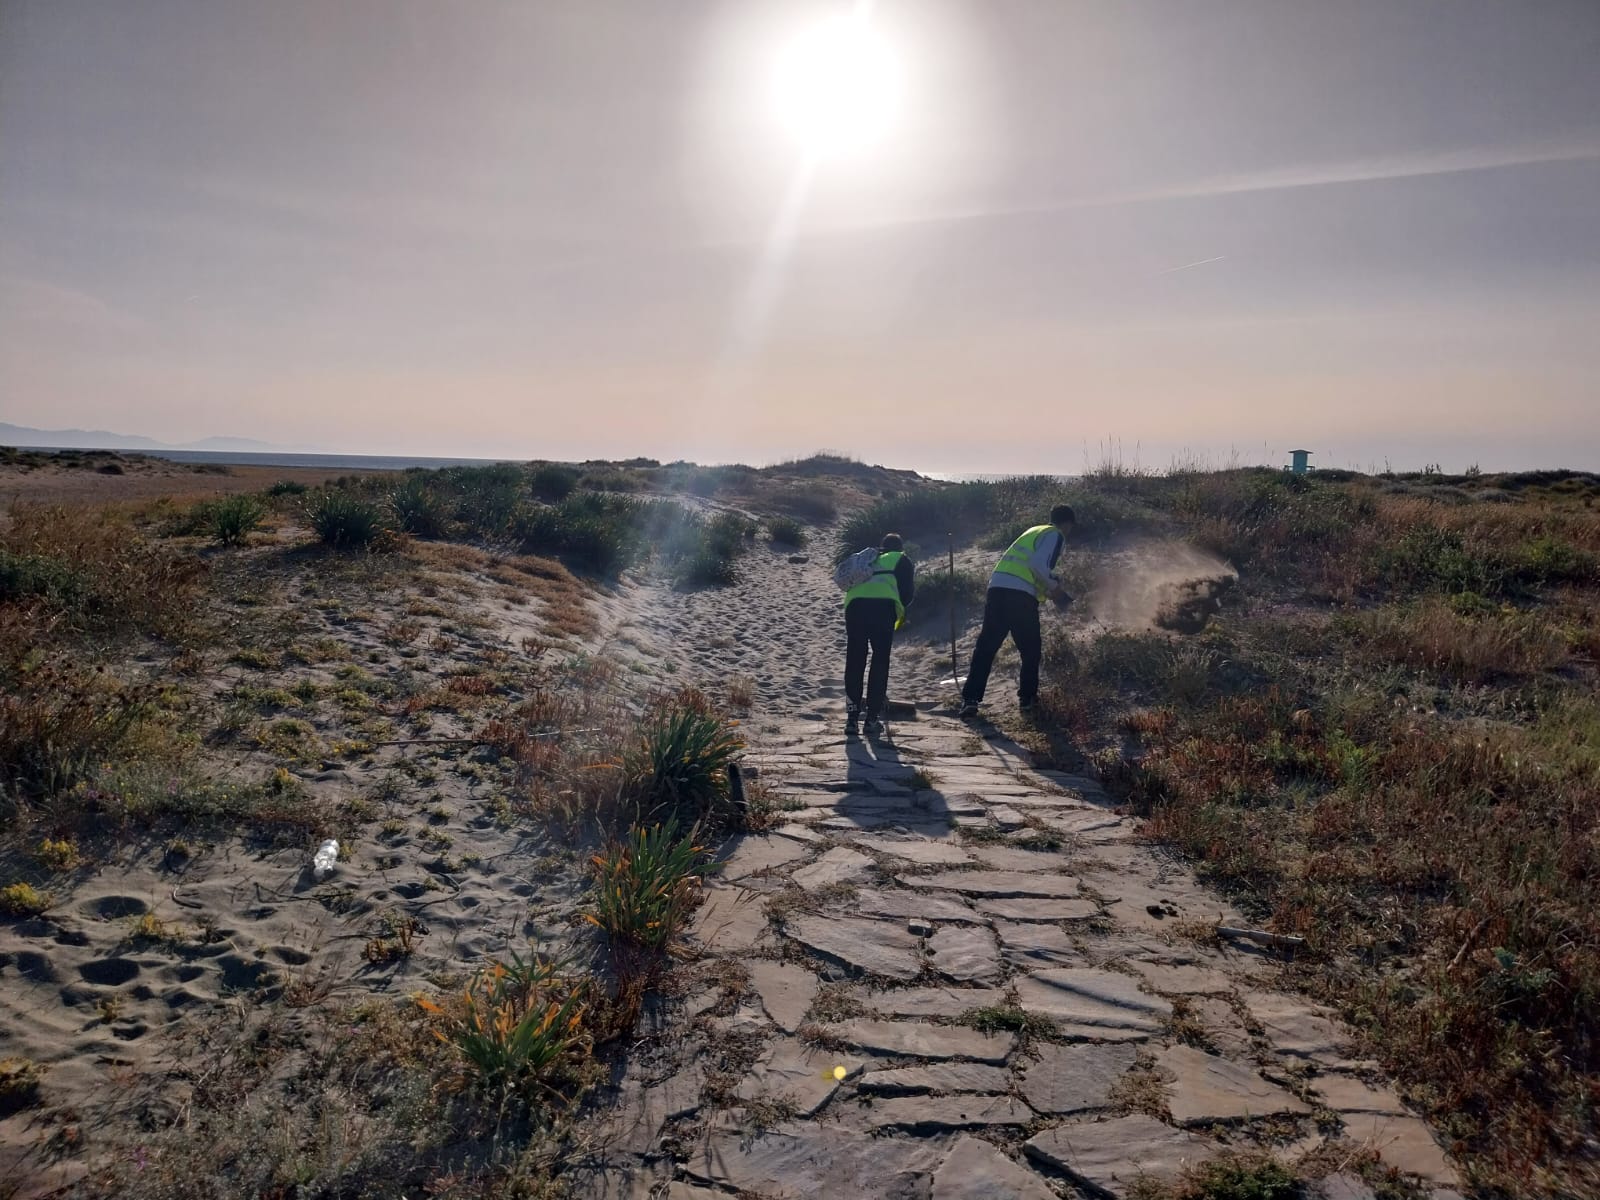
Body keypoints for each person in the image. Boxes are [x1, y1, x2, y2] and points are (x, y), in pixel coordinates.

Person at [959, 504, 1075, 719]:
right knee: (1031, 650)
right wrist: (1056, 590)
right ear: (1067, 524)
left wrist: (1048, 590)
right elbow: (1038, 565)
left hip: (997, 590)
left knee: (986, 648)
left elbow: (1028, 568)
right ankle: (1027, 700)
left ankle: (970, 700)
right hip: (1019, 597)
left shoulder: (1033, 531)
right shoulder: (1055, 535)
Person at [843, 533, 915, 735]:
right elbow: (907, 594)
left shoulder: (868, 557)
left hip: (855, 608)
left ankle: (851, 719)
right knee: (880, 661)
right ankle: (872, 719)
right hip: (882, 610)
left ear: (882, 547)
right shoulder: (901, 559)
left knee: (855, 659)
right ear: (900, 548)